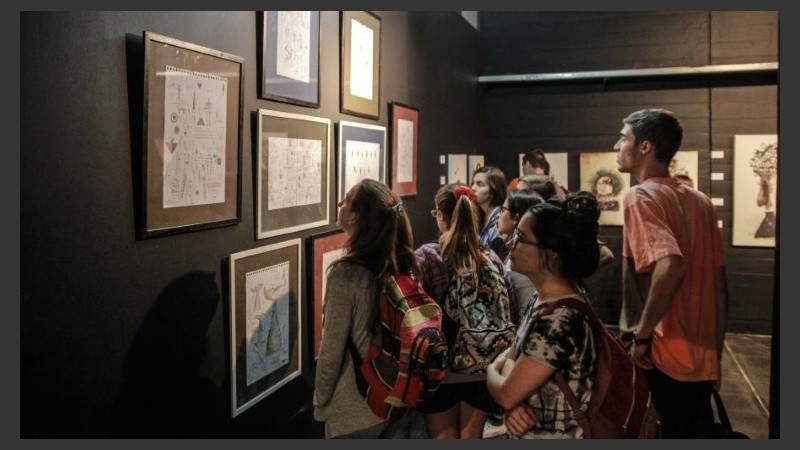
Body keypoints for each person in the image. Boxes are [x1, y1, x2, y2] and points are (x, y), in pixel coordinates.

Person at [614, 109, 729, 438]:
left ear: (645, 147)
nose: (616, 145)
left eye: (623, 138)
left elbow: (671, 264)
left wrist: (642, 337)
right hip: (702, 358)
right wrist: (716, 353)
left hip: (662, 357)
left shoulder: (641, 196)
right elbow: (720, 287)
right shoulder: (701, 201)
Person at [486, 192, 602, 439]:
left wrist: (489, 371)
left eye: (520, 238)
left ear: (550, 256)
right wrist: (512, 401)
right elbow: (512, 358)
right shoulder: (543, 301)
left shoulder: (560, 319)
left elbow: (506, 390)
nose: (510, 244)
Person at [313, 178, 421, 439]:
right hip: (398, 399)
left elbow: (331, 350)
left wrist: (320, 404)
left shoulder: (346, 275)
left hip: (356, 408)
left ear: (356, 217)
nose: (340, 203)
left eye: (348, 199)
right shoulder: (404, 264)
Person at [415, 183, 516, 439]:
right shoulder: (491, 258)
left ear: (440, 216)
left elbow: (415, 316)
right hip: (482, 367)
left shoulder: (427, 257)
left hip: (441, 370)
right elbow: (511, 308)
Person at [471, 165, 507, 249]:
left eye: (480, 184)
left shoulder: (500, 219)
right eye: (473, 183)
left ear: (493, 191)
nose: (473, 188)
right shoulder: (480, 216)